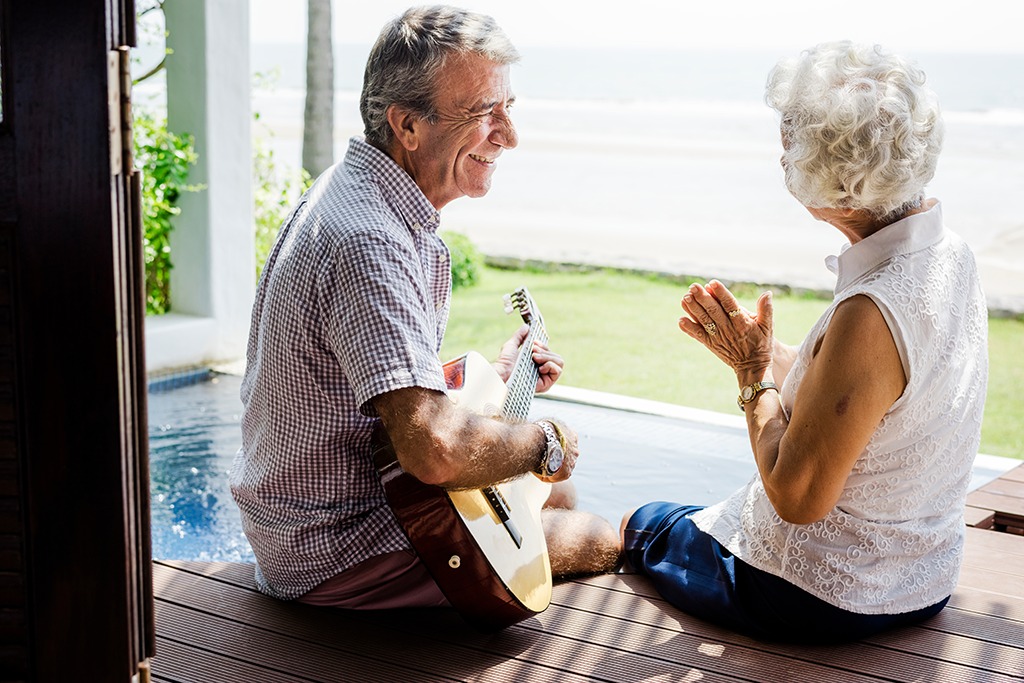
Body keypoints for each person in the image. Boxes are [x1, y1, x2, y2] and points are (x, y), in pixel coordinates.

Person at [230, 5, 622, 610]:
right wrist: (547, 439)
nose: (509, 134)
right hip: (335, 546)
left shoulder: (358, 189)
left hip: (312, 519)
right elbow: (432, 450)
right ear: (407, 126)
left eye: (508, 108)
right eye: (483, 113)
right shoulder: (371, 242)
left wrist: (498, 376)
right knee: (605, 537)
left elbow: (377, 385)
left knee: (551, 498)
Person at [621, 42, 989, 644]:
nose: (782, 153)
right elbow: (881, 394)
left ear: (840, 180)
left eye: (792, 141)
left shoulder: (871, 310)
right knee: (697, 515)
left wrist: (752, 375)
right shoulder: (951, 254)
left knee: (645, 525)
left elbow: (797, 498)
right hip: (921, 581)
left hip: (820, 595)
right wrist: (769, 353)